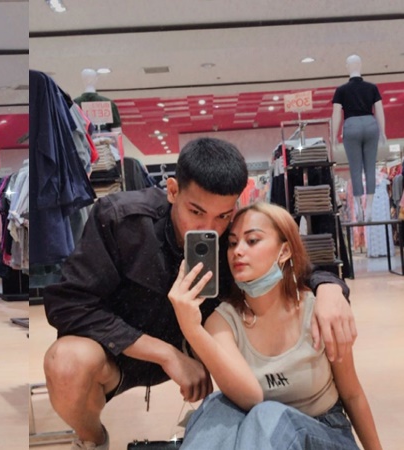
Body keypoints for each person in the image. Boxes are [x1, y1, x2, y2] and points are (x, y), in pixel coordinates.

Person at [42, 137, 356, 450]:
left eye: (223, 216)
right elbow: (68, 304)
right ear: (172, 190)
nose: (209, 227)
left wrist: (330, 288)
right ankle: (94, 439)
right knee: (65, 362)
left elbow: (294, 265)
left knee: (226, 416)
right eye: (196, 211)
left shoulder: (233, 235)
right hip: (121, 353)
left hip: (203, 349)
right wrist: (166, 354)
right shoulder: (121, 219)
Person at [168, 202, 381, 449]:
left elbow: (352, 394)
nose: (238, 251)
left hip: (324, 432)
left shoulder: (319, 311)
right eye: (233, 243)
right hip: (260, 437)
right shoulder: (221, 322)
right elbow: (250, 396)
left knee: (267, 414)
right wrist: (192, 329)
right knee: (217, 407)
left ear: (284, 251)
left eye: (252, 241)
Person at [331, 54, 386, 222]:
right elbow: (379, 110)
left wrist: (333, 135)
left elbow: (336, 114)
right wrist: (383, 131)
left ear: (347, 67)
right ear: (360, 66)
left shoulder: (341, 90)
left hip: (351, 125)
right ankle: (369, 208)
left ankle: (358, 208)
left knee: (355, 168)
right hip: (370, 124)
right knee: (370, 167)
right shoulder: (372, 88)